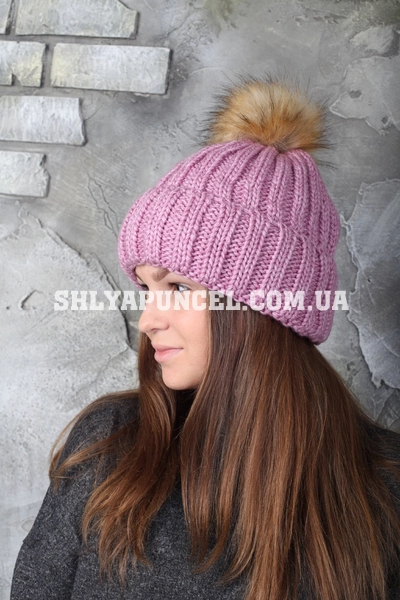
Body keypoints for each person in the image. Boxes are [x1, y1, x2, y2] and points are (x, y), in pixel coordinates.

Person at [11, 78, 400, 600]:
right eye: (147, 288)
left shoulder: (385, 489)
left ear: (262, 308)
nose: (148, 321)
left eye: (177, 287)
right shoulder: (108, 447)